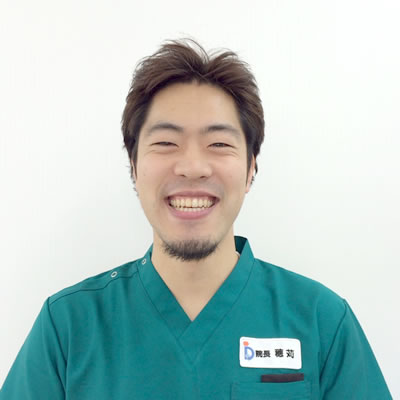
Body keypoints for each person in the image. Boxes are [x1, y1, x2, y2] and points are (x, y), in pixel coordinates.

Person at [0, 39, 392, 400]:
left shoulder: (322, 321)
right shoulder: (68, 326)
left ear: (251, 168)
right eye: (166, 143)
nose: (192, 166)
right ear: (133, 166)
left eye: (218, 143)